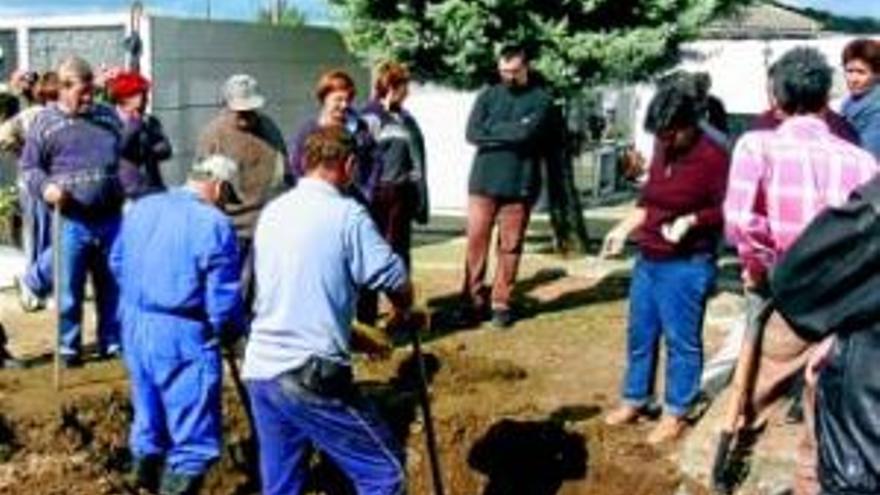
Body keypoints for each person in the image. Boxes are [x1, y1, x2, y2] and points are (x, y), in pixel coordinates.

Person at [723, 47, 876, 495]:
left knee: (751, 389)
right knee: (824, 410)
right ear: (828, 96)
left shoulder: (757, 144)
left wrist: (762, 267)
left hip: (785, 294)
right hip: (845, 302)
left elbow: (742, 222)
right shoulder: (862, 160)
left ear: (776, 97)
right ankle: (809, 481)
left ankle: (730, 455)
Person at [243, 126, 412, 495]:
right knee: (386, 474)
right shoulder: (346, 214)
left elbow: (287, 294)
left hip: (261, 369)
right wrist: (405, 308)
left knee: (282, 486)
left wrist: (349, 334)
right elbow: (391, 276)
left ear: (305, 161)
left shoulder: (274, 212)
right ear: (349, 165)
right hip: (308, 373)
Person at [601, 76, 729, 444]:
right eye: (661, 134)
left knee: (681, 340)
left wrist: (692, 221)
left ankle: (676, 411)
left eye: (673, 134)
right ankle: (635, 399)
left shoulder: (714, 155)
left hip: (687, 263)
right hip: (649, 257)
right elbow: (651, 197)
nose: (666, 140)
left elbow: (728, 206)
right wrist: (624, 227)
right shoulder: (662, 144)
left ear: (691, 124)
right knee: (640, 333)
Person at [110, 155, 244, 495]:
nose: (226, 204)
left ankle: (142, 482)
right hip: (181, 332)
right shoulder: (213, 223)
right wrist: (227, 330)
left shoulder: (143, 207)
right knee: (193, 435)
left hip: (136, 324)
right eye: (227, 196)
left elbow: (117, 261)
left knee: (148, 415)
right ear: (218, 186)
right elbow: (223, 296)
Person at [20, 56, 125, 367]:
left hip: (111, 218)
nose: (90, 98)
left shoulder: (107, 117)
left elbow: (125, 154)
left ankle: (112, 341)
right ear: (64, 88)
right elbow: (30, 167)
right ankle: (69, 348)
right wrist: (46, 188)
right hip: (71, 220)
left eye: (92, 90)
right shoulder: (45, 123)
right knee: (69, 291)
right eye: (84, 92)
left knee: (112, 287)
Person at [460, 44, 553, 328]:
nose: (507, 76)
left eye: (513, 71)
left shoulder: (541, 100)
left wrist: (495, 131)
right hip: (483, 183)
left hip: (519, 185)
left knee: (510, 246)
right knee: (476, 243)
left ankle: (501, 302)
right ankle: (472, 301)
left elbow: (528, 134)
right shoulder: (487, 95)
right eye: (503, 71)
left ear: (526, 67)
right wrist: (511, 130)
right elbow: (472, 133)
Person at [197, 73, 287, 306]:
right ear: (227, 105)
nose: (246, 115)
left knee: (261, 292)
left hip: (265, 224)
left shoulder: (269, 129)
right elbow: (201, 184)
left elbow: (284, 172)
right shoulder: (212, 135)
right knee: (231, 291)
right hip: (230, 227)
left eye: (251, 109)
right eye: (240, 110)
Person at [357, 61, 429, 324]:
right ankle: (366, 318)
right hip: (376, 197)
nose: (407, 92)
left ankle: (402, 311)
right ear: (390, 86)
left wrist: (420, 197)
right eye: (403, 86)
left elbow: (417, 161)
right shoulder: (370, 117)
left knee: (399, 255)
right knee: (371, 255)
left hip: (402, 196)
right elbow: (360, 159)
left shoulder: (407, 119)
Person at [2, 71, 60, 312]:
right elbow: (5, 137)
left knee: (40, 236)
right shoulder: (35, 116)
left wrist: (19, 149)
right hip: (41, 184)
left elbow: (6, 139)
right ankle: (35, 288)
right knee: (42, 236)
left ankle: (37, 287)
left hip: (36, 183)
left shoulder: (27, 116)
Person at [286, 69, 381, 203]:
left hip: (354, 202)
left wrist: (367, 192)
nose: (344, 105)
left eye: (348, 99)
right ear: (324, 98)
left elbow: (376, 161)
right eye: (338, 99)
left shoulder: (360, 129)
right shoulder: (308, 131)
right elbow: (295, 168)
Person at [107, 70, 172, 199]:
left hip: (153, 190)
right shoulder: (110, 121)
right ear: (125, 97)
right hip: (126, 194)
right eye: (142, 94)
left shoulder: (149, 121)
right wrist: (132, 127)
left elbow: (166, 149)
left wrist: (149, 149)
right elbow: (116, 150)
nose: (147, 99)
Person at [841, 38, 880, 160]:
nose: (853, 79)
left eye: (861, 72)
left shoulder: (876, 110)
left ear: (877, 74)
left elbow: (868, 158)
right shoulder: (851, 100)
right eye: (849, 71)